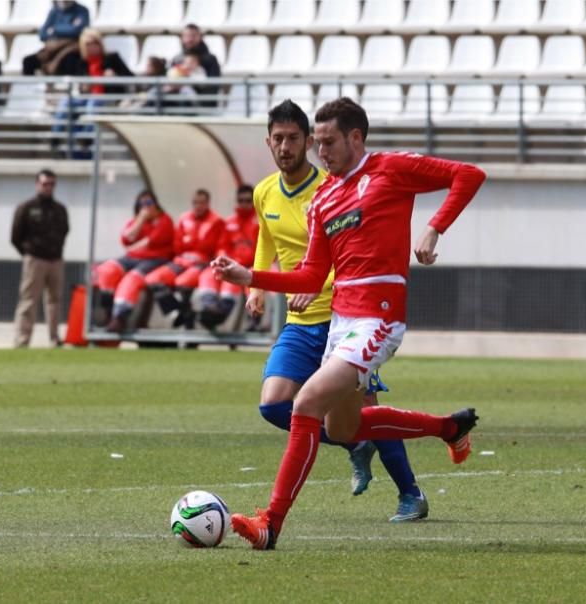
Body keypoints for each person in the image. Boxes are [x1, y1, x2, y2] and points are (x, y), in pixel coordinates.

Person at [211, 97, 486, 549]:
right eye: (317, 143)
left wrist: (435, 226)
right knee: (342, 430)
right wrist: (250, 276)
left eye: (329, 142)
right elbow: (310, 276)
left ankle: (270, 523)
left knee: (304, 405)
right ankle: (447, 429)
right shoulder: (324, 199)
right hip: (341, 320)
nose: (321, 152)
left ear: (356, 137)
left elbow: (468, 175)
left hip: (378, 318)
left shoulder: (391, 168)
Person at [247, 99, 430, 522]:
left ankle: (411, 494)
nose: (285, 146)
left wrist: (319, 287)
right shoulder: (264, 191)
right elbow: (267, 237)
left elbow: (351, 255)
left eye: (294, 138)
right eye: (278, 139)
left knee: (363, 408)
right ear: (268, 142)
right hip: (300, 320)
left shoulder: (331, 187)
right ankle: (353, 444)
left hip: (345, 315)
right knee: (274, 405)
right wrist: (256, 282)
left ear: (310, 142)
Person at [94, 190, 174, 333]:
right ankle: (108, 310)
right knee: (107, 269)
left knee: (131, 278)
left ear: (156, 204)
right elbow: (126, 238)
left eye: (149, 203)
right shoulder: (137, 220)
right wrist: (141, 220)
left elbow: (149, 242)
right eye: (142, 204)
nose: (146, 207)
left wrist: (131, 246)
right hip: (132, 258)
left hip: (155, 259)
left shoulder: (164, 220)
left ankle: (119, 317)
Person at [144, 189, 225, 328]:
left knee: (183, 282)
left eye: (201, 203)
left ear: (208, 203)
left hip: (202, 263)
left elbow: (217, 247)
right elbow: (177, 245)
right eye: (195, 202)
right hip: (181, 261)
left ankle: (187, 316)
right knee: (152, 279)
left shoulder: (216, 221)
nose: (198, 206)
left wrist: (208, 259)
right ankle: (183, 311)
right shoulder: (184, 218)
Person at [50, 28, 134, 158]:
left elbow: (131, 78)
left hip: (106, 98)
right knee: (66, 102)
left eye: (94, 43)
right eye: (88, 44)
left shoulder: (112, 58)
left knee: (93, 103)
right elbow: (78, 84)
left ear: (100, 44)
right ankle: (55, 138)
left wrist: (115, 76)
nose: (91, 47)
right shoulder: (81, 62)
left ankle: (86, 140)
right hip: (85, 97)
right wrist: (83, 87)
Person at [11, 169, 70, 348]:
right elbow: (15, 236)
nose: (48, 188)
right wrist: (28, 253)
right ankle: (22, 339)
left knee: (55, 300)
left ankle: (54, 338)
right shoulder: (27, 208)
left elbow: (65, 231)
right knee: (28, 300)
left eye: (52, 184)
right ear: (37, 184)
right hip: (35, 259)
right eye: (45, 184)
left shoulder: (60, 209)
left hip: (55, 259)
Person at [195, 184, 259, 330]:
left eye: (248, 201)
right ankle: (209, 307)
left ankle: (250, 319)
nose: (244, 204)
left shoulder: (260, 221)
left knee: (243, 278)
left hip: (252, 265)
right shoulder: (229, 222)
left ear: (254, 201)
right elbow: (222, 245)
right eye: (240, 200)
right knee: (208, 273)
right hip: (232, 264)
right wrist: (222, 257)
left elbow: (265, 249)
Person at [22, 1, 90, 76]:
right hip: (52, 49)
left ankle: (70, 86)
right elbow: (42, 34)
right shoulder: (54, 11)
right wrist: (67, 28)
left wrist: (54, 29)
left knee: (70, 61)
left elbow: (76, 31)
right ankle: (30, 87)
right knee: (28, 61)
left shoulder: (82, 11)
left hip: (70, 49)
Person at [171, 24, 222, 108]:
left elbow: (213, 86)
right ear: (182, 38)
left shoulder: (210, 60)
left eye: (193, 36)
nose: (190, 39)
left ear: (200, 37)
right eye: (187, 36)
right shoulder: (177, 59)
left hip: (200, 104)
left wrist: (193, 84)